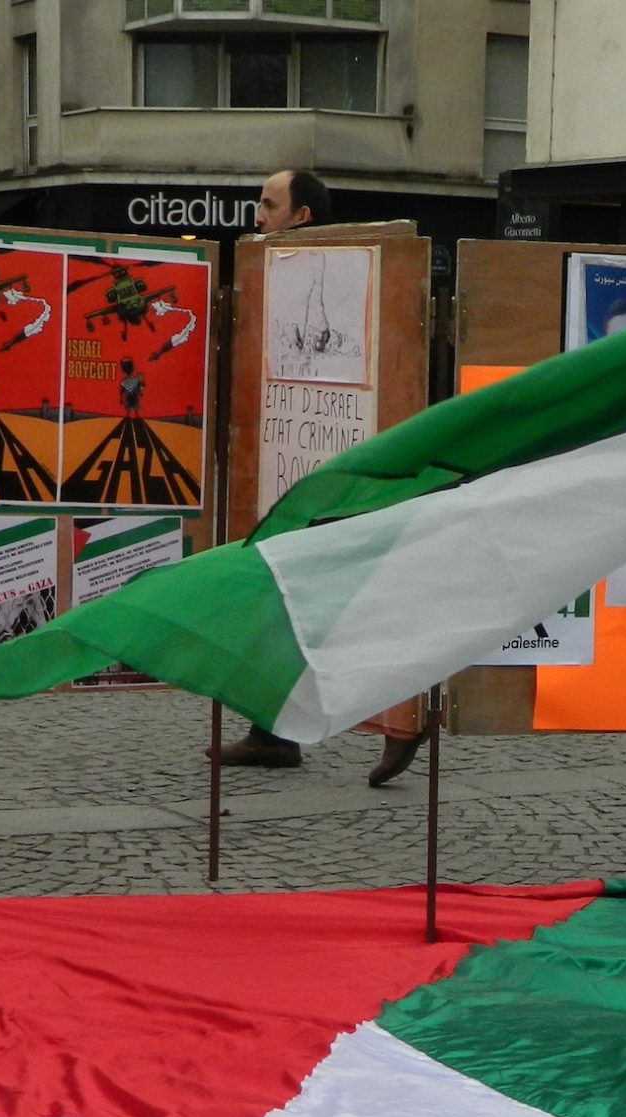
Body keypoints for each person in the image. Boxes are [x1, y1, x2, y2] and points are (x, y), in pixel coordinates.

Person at [215, 167, 431, 788]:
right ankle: (273, 732)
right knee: (281, 599)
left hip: (345, 479)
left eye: (268, 205)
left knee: (348, 606)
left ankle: (401, 718)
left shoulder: (355, 271)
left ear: (301, 216)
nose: (256, 216)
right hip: (283, 468)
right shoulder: (266, 275)